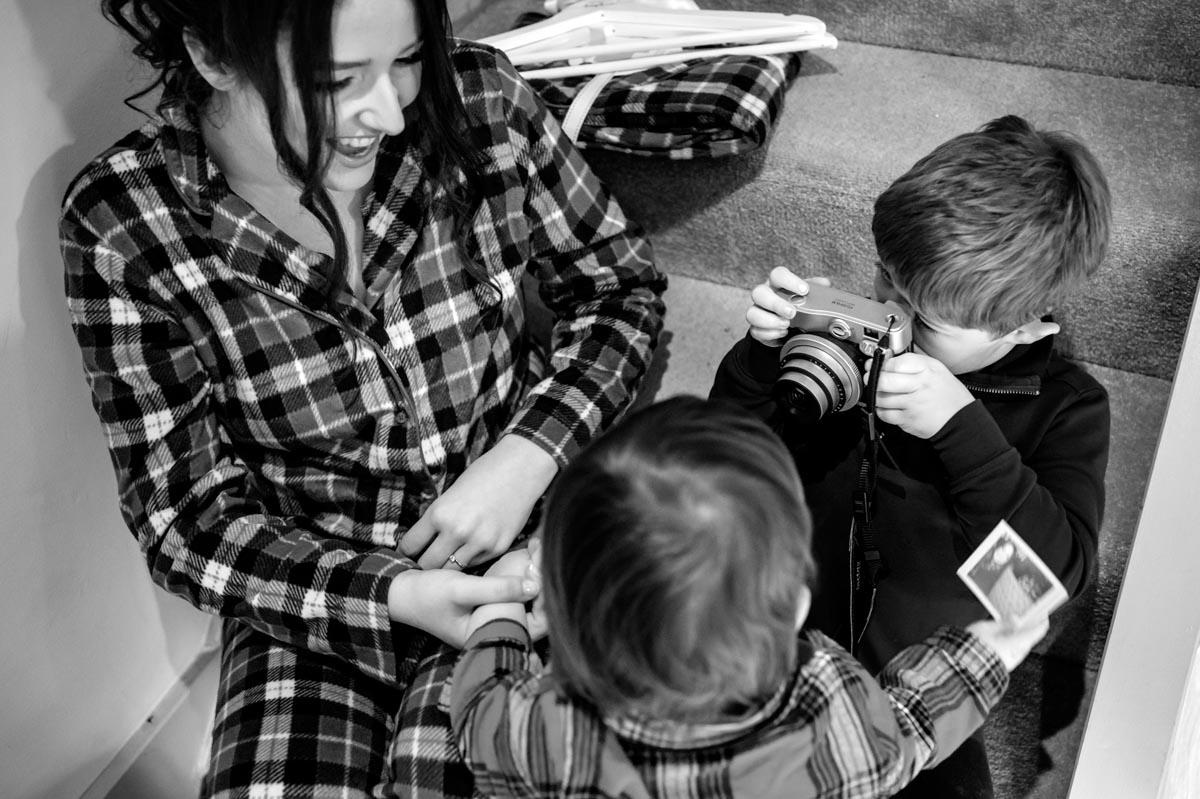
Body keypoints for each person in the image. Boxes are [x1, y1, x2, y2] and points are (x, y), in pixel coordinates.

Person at [59, 0, 666, 796]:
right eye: (334, 80)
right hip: (312, 592)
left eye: (409, 58)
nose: (387, 112)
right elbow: (185, 519)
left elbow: (619, 291)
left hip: (521, 547)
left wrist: (528, 454)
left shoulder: (483, 105)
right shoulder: (126, 223)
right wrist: (393, 593)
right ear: (211, 56)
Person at [710, 114, 1111, 798]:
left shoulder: (1064, 408)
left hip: (920, 685)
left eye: (923, 318)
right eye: (886, 280)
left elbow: (1040, 590)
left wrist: (962, 430)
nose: (892, 315)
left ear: (1027, 323)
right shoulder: (861, 335)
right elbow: (722, 461)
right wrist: (765, 358)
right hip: (778, 635)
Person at [448, 396, 1049, 798]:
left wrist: (501, 614)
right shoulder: (833, 711)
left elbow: (476, 714)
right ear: (795, 606)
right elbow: (910, 728)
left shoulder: (548, 732)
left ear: (560, 611)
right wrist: (1000, 636)